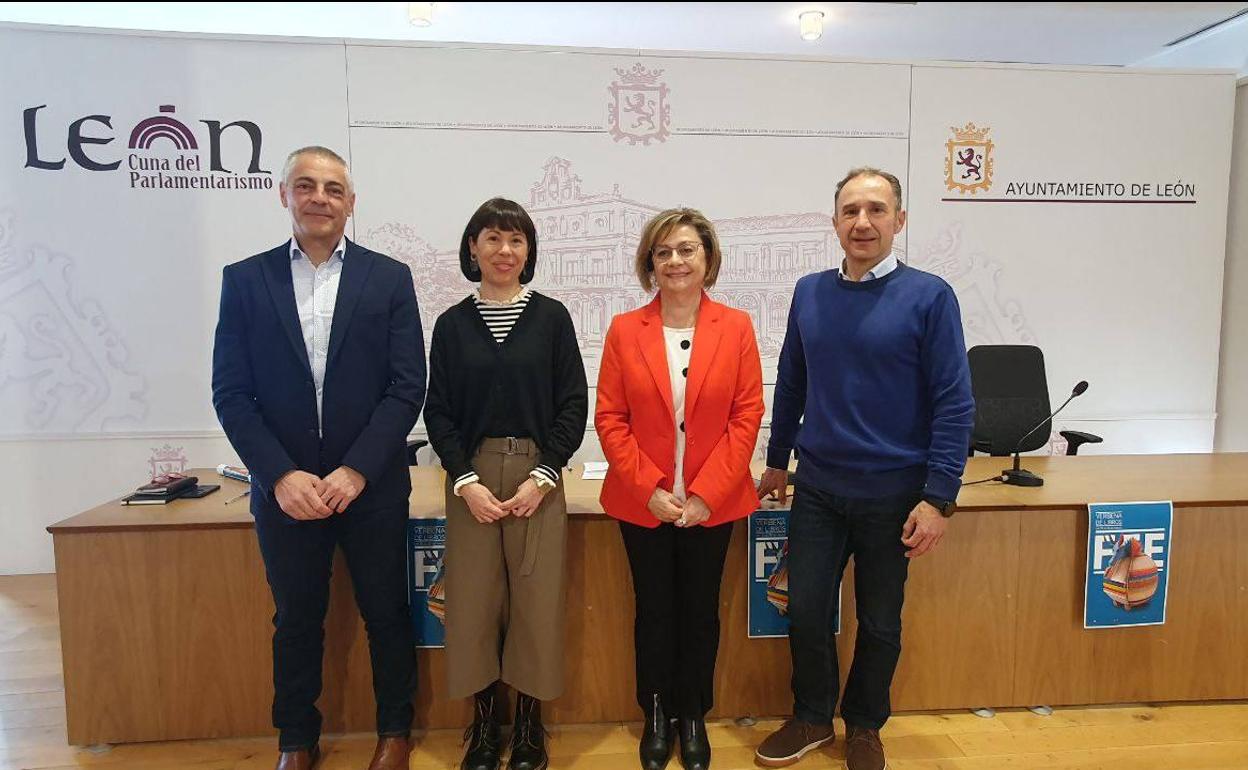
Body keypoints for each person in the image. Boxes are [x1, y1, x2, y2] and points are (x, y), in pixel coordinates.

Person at [212, 146, 426, 770]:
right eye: (305, 186)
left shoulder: (388, 278)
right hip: (288, 492)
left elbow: (406, 385)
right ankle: (296, 742)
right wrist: (279, 475)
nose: (320, 198)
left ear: (351, 203)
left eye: (334, 189)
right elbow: (232, 391)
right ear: (284, 195)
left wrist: (357, 468)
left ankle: (395, 733)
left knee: (386, 613)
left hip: (372, 486)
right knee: (297, 620)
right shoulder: (245, 280)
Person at [753, 168, 975, 770]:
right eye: (851, 210)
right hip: (819, 487)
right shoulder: (809, 291)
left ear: (899, 221)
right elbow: (793, 381)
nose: (863, 222)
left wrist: (939, 498)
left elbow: (955, 402)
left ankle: (865, 727)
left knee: (880, 621)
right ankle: (812, 717)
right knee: (803, 611)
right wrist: (777, 461)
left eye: (877, 210)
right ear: (834, 222)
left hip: (895, 496)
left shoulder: (930, 296)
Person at [595, 208, 765, 770]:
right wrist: (649, 489)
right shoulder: (625, 329)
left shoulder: (736, 326)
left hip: (710, 506)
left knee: (699, 611)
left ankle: (694, 712)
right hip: (643, 505)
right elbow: (610, 419)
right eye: (663, 252)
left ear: (708, 259)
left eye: (687, 249)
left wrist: (705, 495)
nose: (675, 261)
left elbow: (747, 417)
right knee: (654, 612)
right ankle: (658, 713)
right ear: (650, 263)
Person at [423, 197, 588, 770]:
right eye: (492, 238)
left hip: (535, 478)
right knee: (472, 604)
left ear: (529, 251)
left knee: (536, 603)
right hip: (470, 479)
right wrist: (464, 480)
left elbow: (573, 405)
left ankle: (530, 729)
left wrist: (544, 476)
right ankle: (485, 724)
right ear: (473, 247)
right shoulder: (450, 324)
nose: (504, 250)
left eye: (516, 240)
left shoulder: (552, 317)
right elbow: (437, 411)